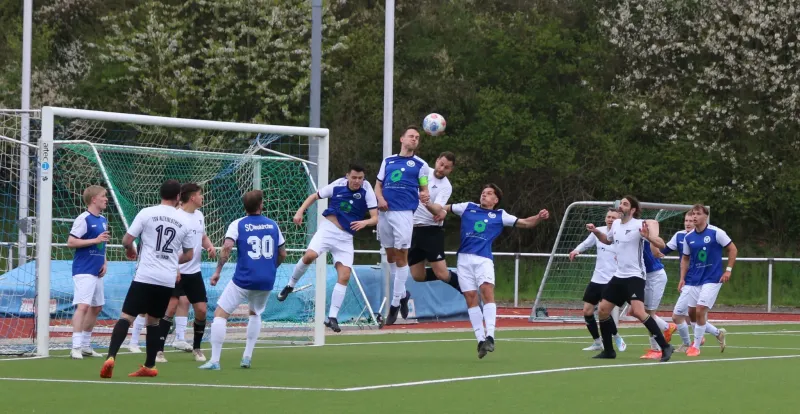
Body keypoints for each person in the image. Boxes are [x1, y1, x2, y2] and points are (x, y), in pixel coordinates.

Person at [426, 184, 549, 358]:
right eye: (483, 192)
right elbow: (443, 208)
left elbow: (526, 223)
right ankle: (480, 340)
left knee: (486, 291)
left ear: (495, 200)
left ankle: (490, 336)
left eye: (489, 193)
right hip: (464, 259)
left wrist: (539, 216)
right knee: (470, 297)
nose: (484, 195)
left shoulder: (500, 215)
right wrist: (438, 210)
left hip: (483, 259)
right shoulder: (467, 207)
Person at [100, 180, 194, 378]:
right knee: (154, 321)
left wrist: (130, 249)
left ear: (160, 194)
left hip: (145, 275)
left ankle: (111, 357)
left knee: (127, 317)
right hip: (166, 279)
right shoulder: (185, 221)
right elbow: (189, 255)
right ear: (178, 197)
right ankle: (149, 366)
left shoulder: (147, 212)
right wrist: (170, 259)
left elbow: (127, 240)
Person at [277, 164, 378, 332]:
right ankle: (290, 285)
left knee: (344, 276)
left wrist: (365, 222)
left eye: (360, 178)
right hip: (328, 230)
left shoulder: (367, 190)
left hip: (345, 238)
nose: (357, 181)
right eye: (354, 178)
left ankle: (332, 317)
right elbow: (314, 197)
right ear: (347, 176)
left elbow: (375, 218)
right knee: (309, 256)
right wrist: (300, 211)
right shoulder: (337, 185)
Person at [199, 190, 287, 370]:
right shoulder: (273, 225)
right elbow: (282, 253)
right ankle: (247, 357)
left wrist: (218, 271)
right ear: (261, 205)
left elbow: (227, 247)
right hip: (266, 281)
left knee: (220, 315)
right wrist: (270, 268)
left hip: (244, 279)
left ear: (244, 206)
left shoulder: (237, 224)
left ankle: (215, 360)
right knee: (254, 313)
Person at [585, 195, 674, 362]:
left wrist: (648, 236)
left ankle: (665, 346)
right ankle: (609, 351)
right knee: (603, 310)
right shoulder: (617, 224)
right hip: (619, 275)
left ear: (632, 210)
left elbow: (661, 244)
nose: (621, 206)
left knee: (640, 312)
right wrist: (596, 231)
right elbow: (608, 240)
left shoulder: (639, 225)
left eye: (625, 204)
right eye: (621, 203)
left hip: (635, 276)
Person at [374, 126, 430, 325]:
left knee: (402, 254)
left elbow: (424, 188)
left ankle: (395, 303)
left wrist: (424, 194)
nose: (414, 139)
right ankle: (403, 293)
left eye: (417, 137)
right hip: (384, 212)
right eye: (411, 136)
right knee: (390, 255)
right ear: (401, 139)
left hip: (404, 212)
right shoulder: (388, 161)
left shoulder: (420, 165)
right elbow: (378, 184)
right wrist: (379, 198)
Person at [154, 183, 216, 363]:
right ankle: (159, 350)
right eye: (200, 194)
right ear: (192, 198)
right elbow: (169, 245)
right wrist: (175, 268)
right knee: (170, 308)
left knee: (202, 310)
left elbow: (202, 236)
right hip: (176, 271)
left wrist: (209, 246)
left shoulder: (199, 215)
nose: (202, 197)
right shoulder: (176, 217)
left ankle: (197, 348)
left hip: (194, 272)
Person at [680, 204, 737, 356]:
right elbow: (685, 259)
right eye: (693, 214)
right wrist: (682, 278)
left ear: (705, 216)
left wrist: (728, 270)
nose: (694, 217)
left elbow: (733, 249)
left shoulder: (716, 232)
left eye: (698, 214)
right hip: (694, 279)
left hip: (712, 278)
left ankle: (696, 346)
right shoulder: (688, 237)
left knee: (700, 310)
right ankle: (718, 333)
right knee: (691, 313)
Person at [569, 208, 626, 352]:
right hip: (597, 278)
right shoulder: (597, 231)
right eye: (608, 216)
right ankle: (597, 342)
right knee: (587, 311)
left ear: (619, 219)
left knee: (604, 311)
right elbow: (586, 244)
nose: (610, 219)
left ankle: (616, 336)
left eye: (613, 217)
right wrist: (576, 250)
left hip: (613, 280)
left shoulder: (622, 234)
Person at [67, 185, 110, 359]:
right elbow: (71, 242)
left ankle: (85, 345)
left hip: (97, 269)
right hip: (84, 269)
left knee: (97, 306)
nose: (106, 199)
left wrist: (105, 262)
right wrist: (95, 240)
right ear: (94, 199)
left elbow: (102, 244)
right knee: (83, 306)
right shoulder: (83, 219)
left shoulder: (103, 219)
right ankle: (75, 346)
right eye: (103, 196)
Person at [410, 152, 460, 292]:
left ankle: (467, 290)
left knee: (442, 274)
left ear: (450, 170)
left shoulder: (446, 186)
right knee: (417, 276)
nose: (442, 168)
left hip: (430, 230)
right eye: (441, 164)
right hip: (412, 229)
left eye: (446, 167)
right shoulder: (424, 173)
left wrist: (427, 202)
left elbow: (437, 209)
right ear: (437, 161)